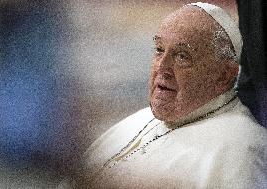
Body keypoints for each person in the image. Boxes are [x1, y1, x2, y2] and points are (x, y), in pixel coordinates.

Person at [77, 2, 267, 188]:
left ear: (224, 75)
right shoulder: (139, 119)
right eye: (159, 50)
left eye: (182, 56)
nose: (162, 68)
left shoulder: (241, 150)